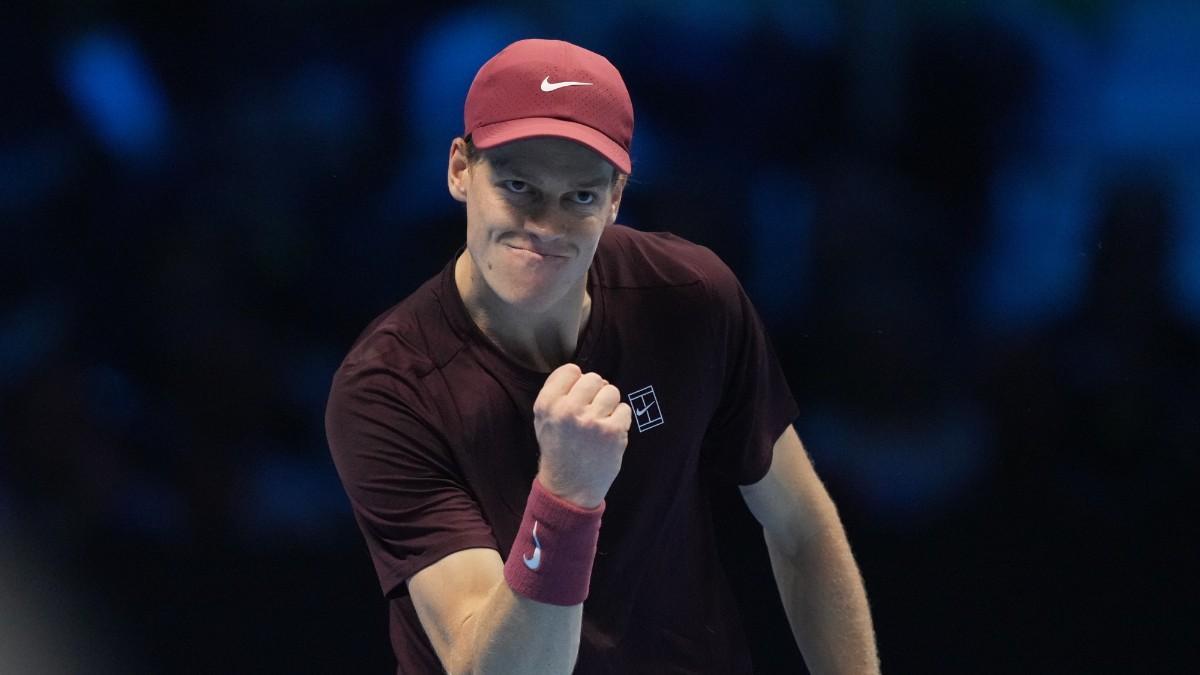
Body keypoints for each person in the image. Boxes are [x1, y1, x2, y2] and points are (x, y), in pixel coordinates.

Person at [325, 38, 879, 674]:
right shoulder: (388, 387)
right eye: (518, 186)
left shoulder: (689, 296)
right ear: (459, 170)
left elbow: (803, 531)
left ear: (616, 198)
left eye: (580, 197)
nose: (545, 225)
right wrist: (567, 495)